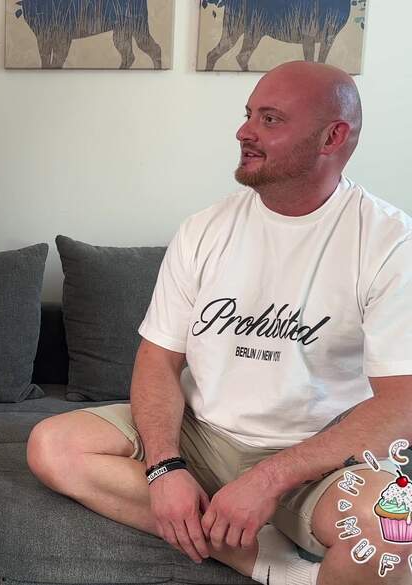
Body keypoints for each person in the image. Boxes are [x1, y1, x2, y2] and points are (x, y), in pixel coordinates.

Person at [27, 60, 412, 585]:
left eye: (270, 119)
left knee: (391, 528)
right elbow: (158, 359)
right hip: (203, 435)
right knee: (52, 445)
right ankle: (266, 563)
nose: (244, 131)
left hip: (318, 457)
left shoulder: (390, 244)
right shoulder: (204, 230)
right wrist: (164, 467)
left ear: (333, 137)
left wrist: (271, 477)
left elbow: (402, 403)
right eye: (248, 114)